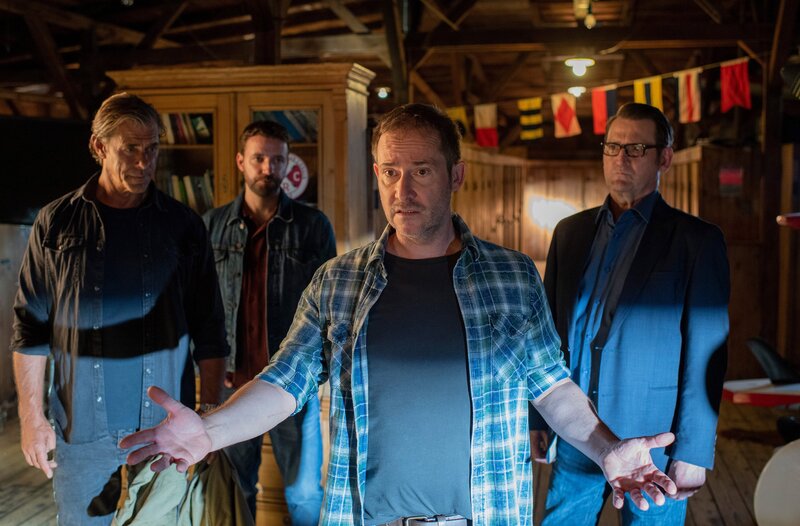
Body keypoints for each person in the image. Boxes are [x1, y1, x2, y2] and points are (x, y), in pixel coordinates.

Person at [121, 103, 678, 526]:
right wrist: (209, 431)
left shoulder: (511, 277)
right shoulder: (338, 282)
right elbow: (284, 383)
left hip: (485, 515)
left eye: (422, 171)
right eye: (389, 172)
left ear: (455, 176)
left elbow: (552, 388)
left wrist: (608, 449)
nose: (402, 190)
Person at [11, 92, 228, 525]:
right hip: (81, 430)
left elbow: (210, 330)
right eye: (130, 148)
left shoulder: (183, 226)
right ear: (99, 146)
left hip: (165, 430)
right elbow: (30, 329)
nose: (144, 162)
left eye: (152, 149)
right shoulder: (55, 223)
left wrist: (211, 417)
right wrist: (30, 417)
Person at [531, 102, 730, 525]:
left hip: (653, 444)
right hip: (580, 434)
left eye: (636, 148)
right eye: (613, 146)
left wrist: (693, 451)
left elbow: (707, 356)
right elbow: (547, 337)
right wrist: (538, 418)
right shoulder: (569, 233)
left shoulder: (697, 241)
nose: (621, 158)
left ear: (664, 158)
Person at [203, 120, 335, 524]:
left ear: (286, 165)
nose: (268, 168)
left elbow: (330, 308)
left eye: (277, 160)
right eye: (259, 158)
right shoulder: (210, 226)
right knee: (237, 488)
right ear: (241, 161)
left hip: (292, 385)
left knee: (304, 493)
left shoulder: (313, 226)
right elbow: (200, 307)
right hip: (232, 385)